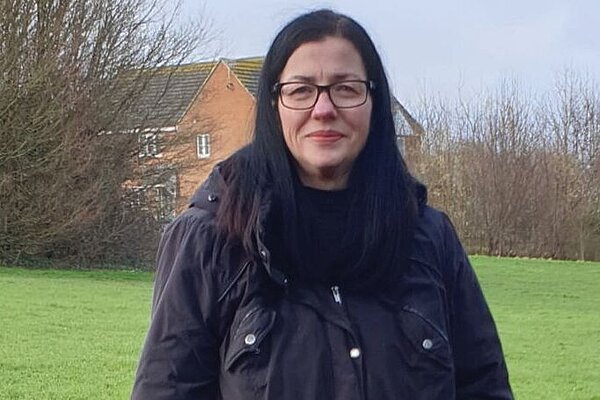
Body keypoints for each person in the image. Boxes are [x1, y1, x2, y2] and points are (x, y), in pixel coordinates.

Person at [131, 9, 513, 400]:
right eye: (301, 90)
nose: (324, 109)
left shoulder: (428, 238)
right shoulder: (210, 240)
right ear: (273, 105)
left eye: (346, 88)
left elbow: (484, 386)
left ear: (374, 102)